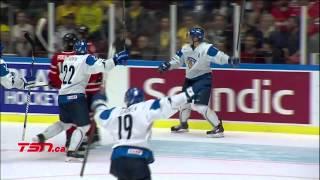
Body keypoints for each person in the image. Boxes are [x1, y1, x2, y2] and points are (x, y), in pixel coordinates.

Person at [33, 40, 129, 161]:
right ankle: (72, 152)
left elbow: (62, 77)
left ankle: (42, 136)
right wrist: (116, 59)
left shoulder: (68, 59)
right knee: (84, 126)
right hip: (75, 97)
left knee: (65, 124)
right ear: (85, 50)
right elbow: (103, 66)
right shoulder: (86, 59)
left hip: (62, 96)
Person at [92, 86, 197, 180]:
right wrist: (189, 93)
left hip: (118, 161)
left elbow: (101, 114)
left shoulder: (115, 112)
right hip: (137, 160)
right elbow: (169, 103)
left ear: (126, 100)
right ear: (142, 99)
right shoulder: (145, 108)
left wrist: (99, 101)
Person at [158, 27, 240, 138]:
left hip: (203, 79)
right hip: (189, 79)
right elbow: (177, 60)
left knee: (200, 106)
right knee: (184, 103)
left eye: (190, 36)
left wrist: (230, 60)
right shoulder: (185, 48)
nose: (188, 37)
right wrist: (168, 65)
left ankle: (218, 127)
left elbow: (219, 56)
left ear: (196, 38)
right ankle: (183, 125)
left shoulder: (206, 48)